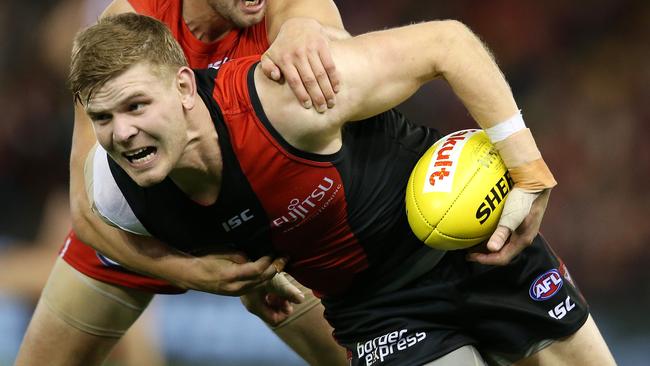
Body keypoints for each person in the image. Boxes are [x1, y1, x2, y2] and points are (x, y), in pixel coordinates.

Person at [71, 13, 617, 366]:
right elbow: (90, 225)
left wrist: (529, 169)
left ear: (185, 87)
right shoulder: (121, 192)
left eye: (136, 106)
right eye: (103, 117)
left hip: (473, 245)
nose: (121, 132)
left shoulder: (284, 99)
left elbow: (447, 43)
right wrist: (199, 272)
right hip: (378, 312)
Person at [15, 1, 350, 365]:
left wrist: (307, 30)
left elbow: (346, 118)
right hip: (137, 231)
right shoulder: (129, 23)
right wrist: (190, 272)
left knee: (358, 357)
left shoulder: (291, 10)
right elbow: (86, 210)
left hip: (258, 231)